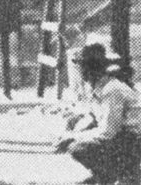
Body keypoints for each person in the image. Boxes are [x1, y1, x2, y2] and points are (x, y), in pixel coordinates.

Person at [56, 42, 141, 185]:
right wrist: (72, 132)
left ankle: (119, 174)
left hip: (133, 140)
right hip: (123, 136)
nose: (80, 72)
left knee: (78, 147)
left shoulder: (112, 90)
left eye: (82, 67)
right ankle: (104, 174)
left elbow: (108, 132)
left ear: (91, 69)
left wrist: (74, 138)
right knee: (74, 127)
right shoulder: (97, 87)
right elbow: (93, 117)